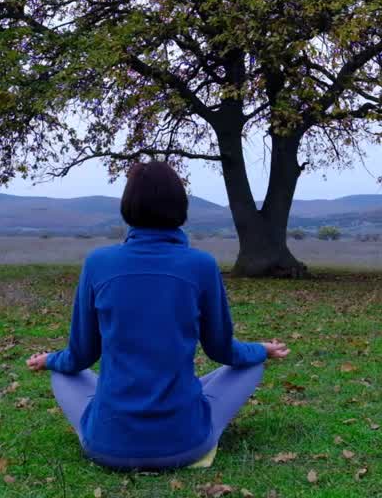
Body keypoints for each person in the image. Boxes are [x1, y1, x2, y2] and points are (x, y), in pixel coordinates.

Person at [25, 161, 290, 470]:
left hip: (108, 445)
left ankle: (125, 418)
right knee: (252, 363)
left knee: (62, 372)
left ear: (128, 206)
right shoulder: (201, 265)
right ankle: (181, 403)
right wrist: (261, 349)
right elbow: (223, 350)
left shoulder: (98, 263)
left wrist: (49, 360)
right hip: (185, 444)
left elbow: (79, 356)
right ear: (181, 206)